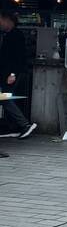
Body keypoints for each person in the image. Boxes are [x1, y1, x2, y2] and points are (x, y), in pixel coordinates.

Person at [0, 11, 37, 144]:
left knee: (5, 99)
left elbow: (18, 57)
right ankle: (15, 125)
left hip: (12, 74)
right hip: (6, 74)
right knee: (6, 99)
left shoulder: (16, 36)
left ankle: (24, 124)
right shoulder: (8, 35)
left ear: (7, 20)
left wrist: (13, 74)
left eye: (0, 20)